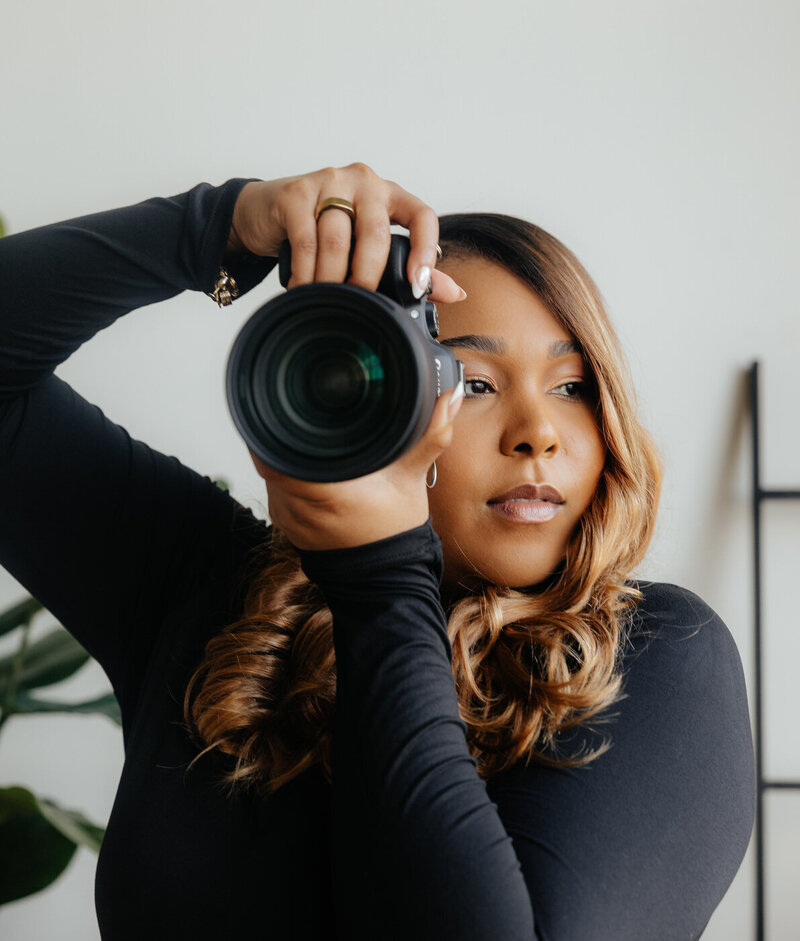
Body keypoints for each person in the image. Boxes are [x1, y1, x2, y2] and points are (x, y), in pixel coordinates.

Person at [0, 163, 754, 940]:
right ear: (377, 399)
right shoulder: (215, 597)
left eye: (571, 386)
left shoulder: (660, 660)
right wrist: (218, 227)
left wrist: (384, 574)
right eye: (476, 383)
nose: (538, 431)